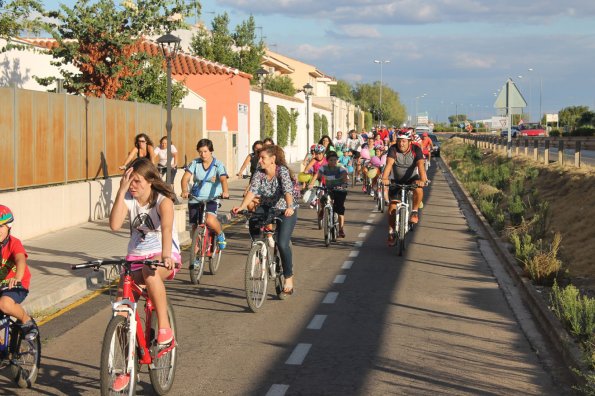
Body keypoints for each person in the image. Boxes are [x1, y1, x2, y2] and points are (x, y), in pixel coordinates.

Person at [109, 158, 180, 349]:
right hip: (135, 258)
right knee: (120, 310)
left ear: (150, 180)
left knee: (150, 271)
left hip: (163, 255)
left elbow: (166, 228)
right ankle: (124, 364)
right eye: (129, 180)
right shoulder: (128, 199)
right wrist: (121, 190)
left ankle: (164, 328)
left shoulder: (162, 201)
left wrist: (166, 256)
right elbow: (114, 225)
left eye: (137, 181)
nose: (133, 185)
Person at [231, 145, 298, 297]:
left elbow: (288, 191)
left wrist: (289, 207)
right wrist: (241, 207)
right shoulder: (259, 173)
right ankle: (258, 249)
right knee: (253, 220)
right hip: (267, 207)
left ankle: (288, 278)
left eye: (263, 158)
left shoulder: (282, 171)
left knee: (282, 242)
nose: (259, 160)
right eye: (259, 157)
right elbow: (253, 191)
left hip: (285, 209)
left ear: (272, 159)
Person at [181, 139, 230, 258]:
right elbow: (185, 178)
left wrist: (225, 192)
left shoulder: (218, 164)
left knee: (209, 220)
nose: (203, 154)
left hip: (212, 198)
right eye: (200, 152)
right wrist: (184, 191)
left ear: (211, 151)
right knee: (194, 226)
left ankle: (220, 234)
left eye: (205, 151)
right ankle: (196, 256)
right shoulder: (195, 163)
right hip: (195, 197)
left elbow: (223, 179)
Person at [381, 130, 427, 246]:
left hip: (412, 179)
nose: (401, 144)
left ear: (409, 142)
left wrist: (423, 180)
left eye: (404, 141)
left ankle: (415, 211)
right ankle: (391, 231)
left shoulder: (416, 149)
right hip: (396, 180)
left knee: (419, 189)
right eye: (399, 141)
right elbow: (389, 164)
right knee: (392, 207)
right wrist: (384, 178)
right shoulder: (393, 149)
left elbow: (421, 166)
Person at [0, 205, 38, 341]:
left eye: (1, 227)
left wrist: (17, 277)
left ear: (9, 227)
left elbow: (20, 259)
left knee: (4, 304)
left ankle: (27, 321)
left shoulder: (14, 243)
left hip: (16, 284)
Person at [307, 151, 348, 238]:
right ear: (327, 160)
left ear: (337, 160)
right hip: (328, 188)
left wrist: (344, 182)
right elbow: (317, 175)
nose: (333, 162)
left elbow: (344, 174)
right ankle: (322, 211)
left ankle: (341, 229)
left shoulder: (340, 167)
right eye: (331, 160)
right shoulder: (324, 167)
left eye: (335, 160)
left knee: (340, 209)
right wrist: (311, 183)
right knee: (323, 198)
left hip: (339, 189)